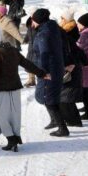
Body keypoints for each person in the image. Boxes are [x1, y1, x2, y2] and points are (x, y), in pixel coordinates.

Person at [0, 26, 47, 152]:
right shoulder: (12, 49)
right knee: (13, 116)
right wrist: (41, 73)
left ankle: (12, 139)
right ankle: (13, 139)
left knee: (1, 117)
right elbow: (26, 63)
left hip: (2, 89)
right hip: (15, 88)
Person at [31, 9, 68, 137]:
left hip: (49, 69)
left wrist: (43, 71)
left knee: (49, 99)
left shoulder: (44, 34)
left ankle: (63, 128)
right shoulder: (53, 28)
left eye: (33, 21)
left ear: (39, 21)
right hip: (56, 67)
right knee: (49, 97)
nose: (32, 23)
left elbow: (44, 54)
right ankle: (54, 121)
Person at [59, 12, 86, 127]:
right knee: (66, 98)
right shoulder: (66, 34)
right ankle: (72, 120)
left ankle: (74, 121)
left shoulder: (68, 35)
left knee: (66, 98)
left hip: (72, 69)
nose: (61, 20)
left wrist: (71, 64)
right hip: (73, 67)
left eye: (62, 18)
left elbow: (75, 53)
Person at [22, 8, 38, 87]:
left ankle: (41, 80)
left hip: (37, 46)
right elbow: (29, 33)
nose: (32, 16)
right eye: (31, 14)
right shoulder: (30, 22)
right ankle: (31, 80)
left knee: (37, 64)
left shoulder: (39, 22)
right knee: (29, 63)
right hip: (30, 46)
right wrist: (25, 39)